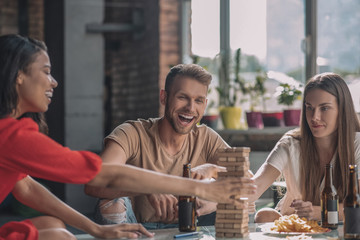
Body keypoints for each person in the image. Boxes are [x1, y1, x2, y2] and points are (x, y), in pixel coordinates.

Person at [0, 34, 256, 240]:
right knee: (59, 235)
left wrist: (94, 229)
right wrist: (196, 187)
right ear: (19, 76)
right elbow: (103, 175)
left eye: (199, 100)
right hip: (136, 216)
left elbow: (27, 187)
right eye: (45, 71)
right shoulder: (11, 136)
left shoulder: (10, 132)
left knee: (52, 224)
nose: (53, 82)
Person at [85, 64, 254, 229]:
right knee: (110, 205)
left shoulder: (207, 137)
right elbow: (94, 182)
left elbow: (249, 182)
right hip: (138, 229)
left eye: (199, 101)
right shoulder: (131, 133)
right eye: (182, 97)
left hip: (193, 228)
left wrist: (213, 176)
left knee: (239, 202)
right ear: (164, 97)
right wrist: (148, 187)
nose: (190, 107)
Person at [249, 72, 360, 223]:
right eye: (309, 108)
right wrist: (215, 195)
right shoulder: (290, 144)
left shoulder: (357, 144)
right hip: (295, 231)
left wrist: (319, 212)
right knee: (263, 215)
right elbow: (257, 184)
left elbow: (357, 207)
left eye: (324, 108)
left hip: (343, 231)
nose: (315, 117)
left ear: (342, 109)